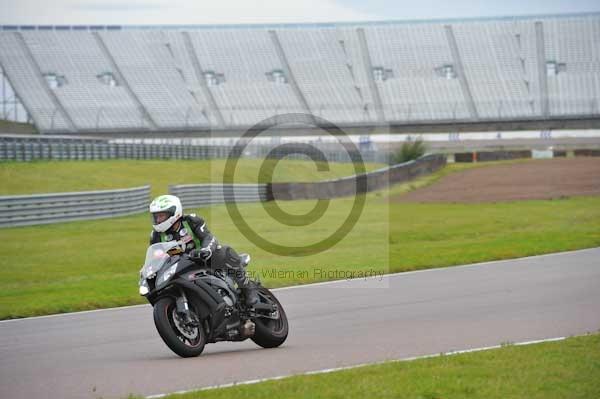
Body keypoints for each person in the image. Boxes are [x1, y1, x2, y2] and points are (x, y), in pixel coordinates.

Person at [148, 194, 258, 305]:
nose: (158, 220)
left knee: (225, 251)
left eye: (161, 216)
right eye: (156, 216)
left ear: (173, 213)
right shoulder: (156, 235)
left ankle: (248, 288)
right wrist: (150, 270)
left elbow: (208, 237)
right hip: (180, 267)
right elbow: (156, 255)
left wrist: (205, 250)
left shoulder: (191, 221)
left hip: (204, 260)